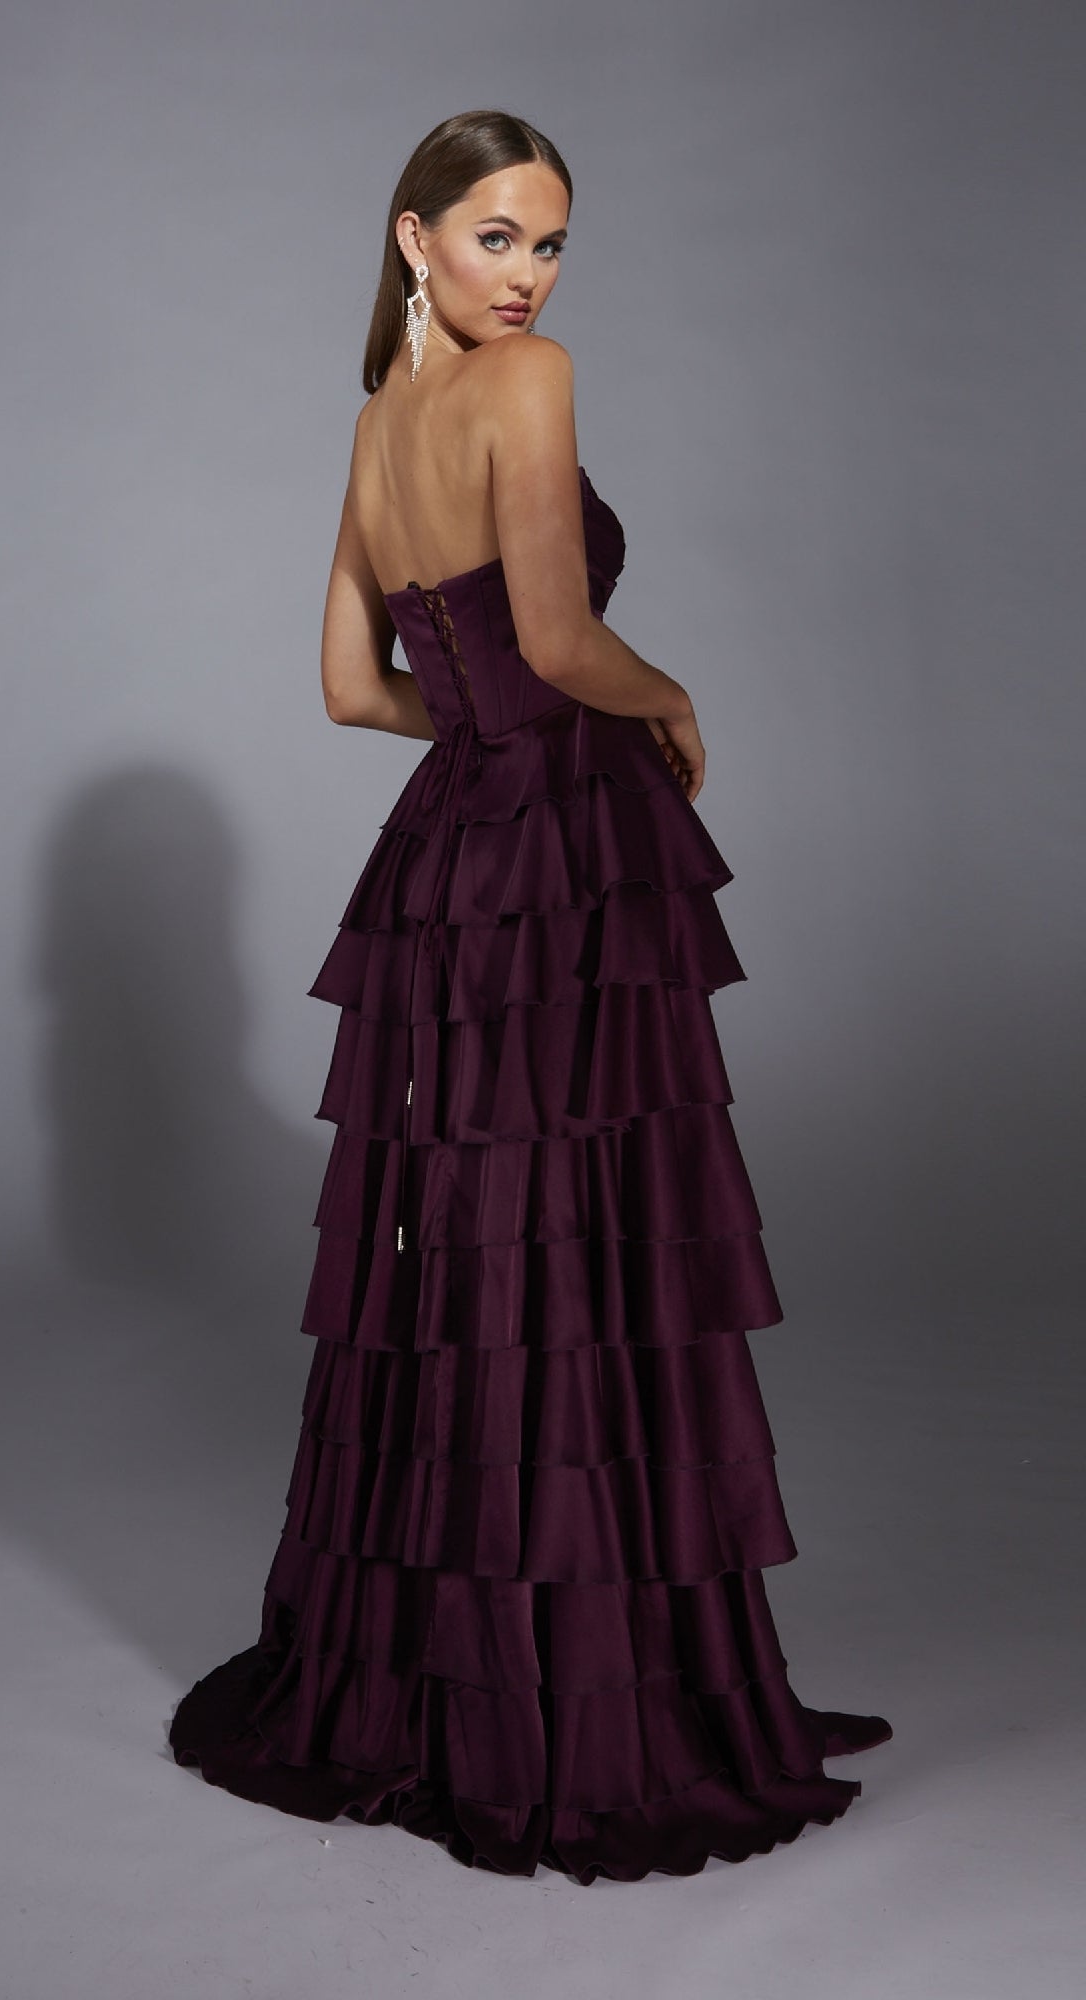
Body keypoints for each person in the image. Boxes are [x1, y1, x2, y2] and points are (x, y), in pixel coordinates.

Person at [165, 107, 892, 1885]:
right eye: (498, 237)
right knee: (584, 1249)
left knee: (483, 1262)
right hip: (566, 855)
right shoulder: (532, 385)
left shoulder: (375, 424)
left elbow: (353, 690)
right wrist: (664, 701)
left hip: (445, 870)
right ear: (413, 239)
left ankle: (480, 1684)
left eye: (553, 244)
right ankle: (616, 1703)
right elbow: (560, 640)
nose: (532, 277)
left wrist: (481, 719)